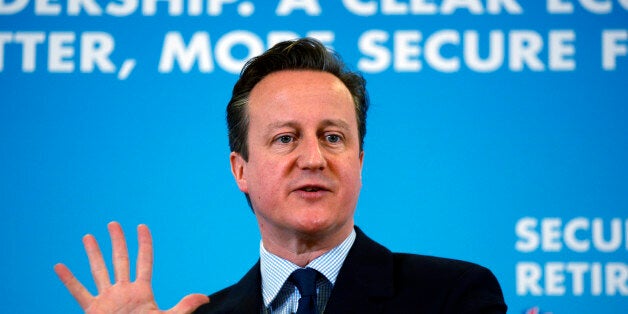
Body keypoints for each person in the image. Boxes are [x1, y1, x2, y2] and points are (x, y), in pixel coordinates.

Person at [55, 38, 508, 314]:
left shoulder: (452, 296)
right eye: (285, 138)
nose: (313, 158)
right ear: (241, 170)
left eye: (332, 137)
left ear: (360, 162)